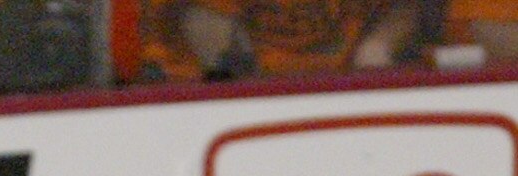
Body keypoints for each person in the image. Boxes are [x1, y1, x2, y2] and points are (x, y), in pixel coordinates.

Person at [143, 0, 421, 76]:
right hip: (223, 105)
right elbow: (206, 25)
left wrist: (379, 46)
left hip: (350, 101)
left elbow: (403, 6)